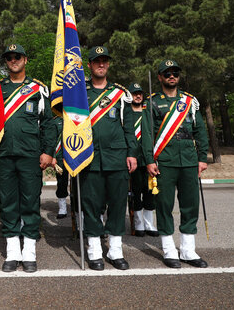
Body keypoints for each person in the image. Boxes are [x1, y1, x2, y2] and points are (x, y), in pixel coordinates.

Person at [141, 59, 209, 269]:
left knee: (190, 205)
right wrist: (149, 160)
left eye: (175, 73)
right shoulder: (152, 102)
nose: (172, 76)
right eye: (167, 73)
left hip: (189, 160)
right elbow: (146, 134)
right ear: (160, 77)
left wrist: (203, 157)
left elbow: (200, 130)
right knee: (164, 205)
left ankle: (188, 250)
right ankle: (169, 249)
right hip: (165, 161)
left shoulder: (190, 101)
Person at [0, 44, 56, 273]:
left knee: (30, 201)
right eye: (9, 57)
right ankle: (12, 251)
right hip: (4, 154)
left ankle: (29, 250)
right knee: (8, 202)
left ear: (25, 59)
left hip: (31, 155)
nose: (13, 60)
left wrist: (48, 151)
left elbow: (48, 123)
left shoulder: (38, 89)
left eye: (17, 56)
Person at [82, 46, 137, 271]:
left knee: (116, 204)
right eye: (97, 61)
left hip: (117, 157)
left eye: (104, 61)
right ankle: (94, 249)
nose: (101, 65)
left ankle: (115, 250)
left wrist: (132, 153)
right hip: (88, 157)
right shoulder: (80, 93)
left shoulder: (120, 94)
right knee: (91, 204)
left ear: (109, 65)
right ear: (90, 65)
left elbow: (129, 128)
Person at [128, 82, 158, 237]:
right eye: (134, 93)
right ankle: (139, 224)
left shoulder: (149, 113)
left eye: (140, 93)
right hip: (134, 161)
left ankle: (149, 224)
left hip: (149, 159)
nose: (138, 96)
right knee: (136, 192)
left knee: (150, 192)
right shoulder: (126, 114)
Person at [53, 115, 69, 219]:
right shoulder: (55, 120)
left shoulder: (73, 116)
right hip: (60, 154)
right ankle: (62, 207)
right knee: (61, 181)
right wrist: (53, 156)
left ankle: (79, 209)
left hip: (74, 152)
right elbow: (52, 139)